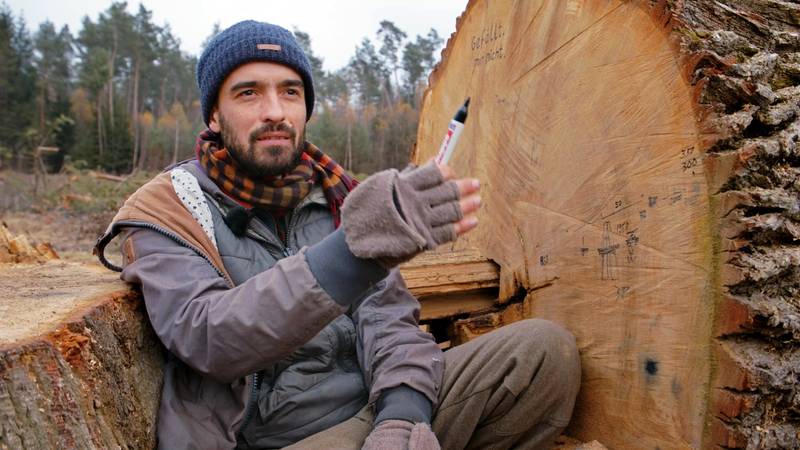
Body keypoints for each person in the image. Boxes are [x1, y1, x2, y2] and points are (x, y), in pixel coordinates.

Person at [95, 20, 581, 450]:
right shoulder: (168, 208)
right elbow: (209, 339)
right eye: (248, 93)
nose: (275, 111)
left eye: (290, 92)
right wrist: (351, 254)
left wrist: (403, 418)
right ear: (214, 116)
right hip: (274, 438)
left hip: (371, 411)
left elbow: (390, 321)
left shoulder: (336, 192)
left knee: (541, 354)